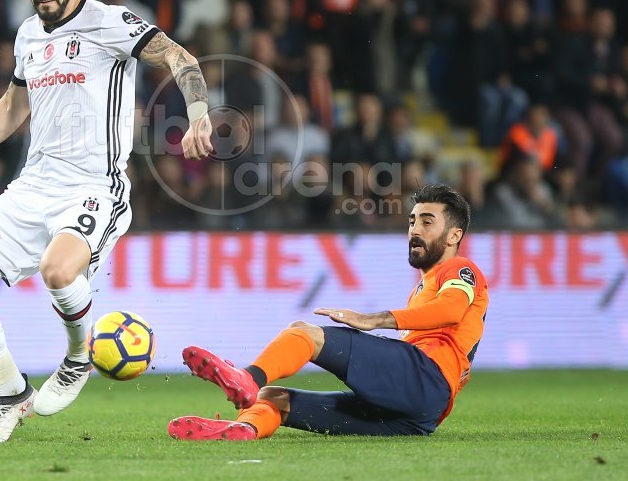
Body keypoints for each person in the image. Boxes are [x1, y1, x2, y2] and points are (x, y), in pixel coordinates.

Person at [0, 0, 213, 443]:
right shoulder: (28, 34)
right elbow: (13, 106)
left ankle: (79, 357)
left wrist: (198, 114)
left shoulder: (110, 23)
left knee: (58, 271)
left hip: (94, 186)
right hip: (32, 185)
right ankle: (12, 395)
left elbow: (179, 56)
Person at [168, 184, 488, 440]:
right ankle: (245, 429)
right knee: (272, 398)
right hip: (418, 416)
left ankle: (247, 377)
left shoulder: (460, 268)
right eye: (412, 221)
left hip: (425, 379)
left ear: (454, 235)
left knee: (304, 333)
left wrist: (375, 319)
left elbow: (451, 309)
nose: (415, 229)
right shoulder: (423, 287)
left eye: (427, 222)